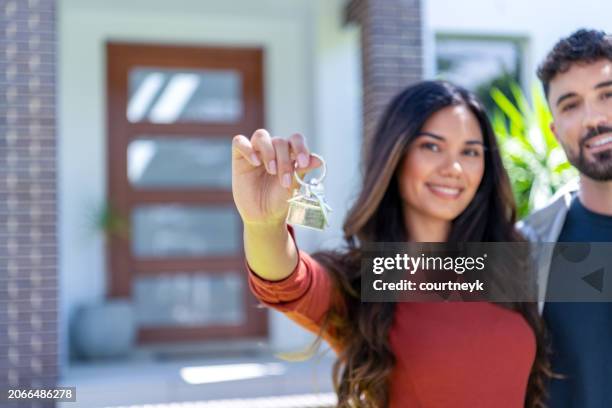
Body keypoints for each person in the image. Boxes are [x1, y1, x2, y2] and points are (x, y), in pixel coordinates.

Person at [232, 81, 550, 407]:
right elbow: (287, 282)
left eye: (470, 152)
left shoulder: (507, 261)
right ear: (395, 155)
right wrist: (264, 226)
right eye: (432, 146)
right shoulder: (368, 278)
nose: (453, 168)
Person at [519, 29, 612, 408]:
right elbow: (395, 276)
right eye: (571, 104)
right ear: (555, 130)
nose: (593, 118)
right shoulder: (533, 246)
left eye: (608, 94)